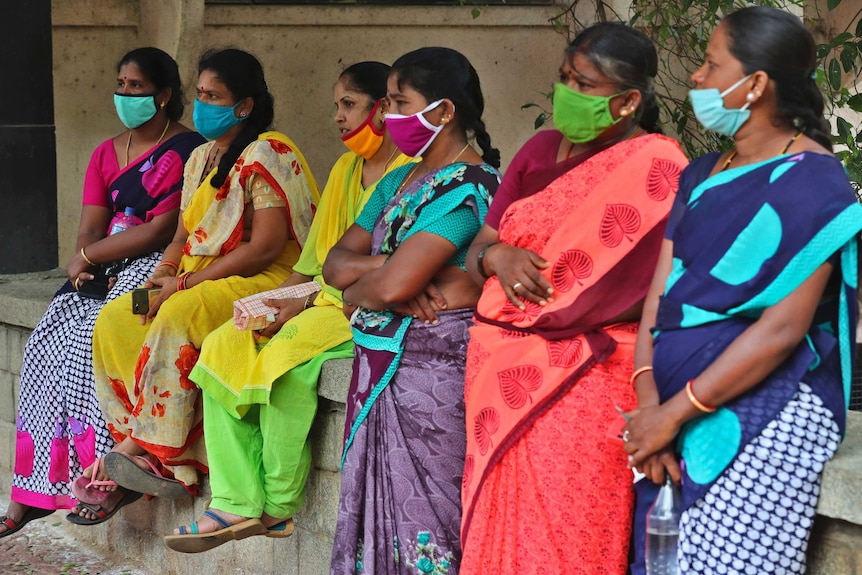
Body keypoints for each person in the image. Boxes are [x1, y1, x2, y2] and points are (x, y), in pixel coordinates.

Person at [622, 7, 862, 575]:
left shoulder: (816, 184)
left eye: (710, 64)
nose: (697, 78)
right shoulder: (701, 174)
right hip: (668, 407)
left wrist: (676, 414)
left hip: (767, 412)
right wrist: (650, 407)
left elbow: (782, 330)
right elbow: (660, 299)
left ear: (755, 85)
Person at [460, 23, 688, 575]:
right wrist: (498, 258)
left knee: (567, 540)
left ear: (628, 100)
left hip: (592, 374)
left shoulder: (658, 165)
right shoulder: (539, 148)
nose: (568, 93)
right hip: (500, 368)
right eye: (565, 78)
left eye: (584, 85)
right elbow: (477, 253)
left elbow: (658, 287)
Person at [162, 61, 412, 553]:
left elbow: (387, 269)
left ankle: (275, 507)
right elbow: (312, 264)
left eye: (349, 105)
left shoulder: (409, 172)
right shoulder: (345, 167)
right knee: (223, 344)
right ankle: (234, 497)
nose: (338, 116)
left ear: (382, 110)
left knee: (282, 362)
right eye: (336, 105)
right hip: (321, 296)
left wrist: (305, 304)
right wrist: (275, 302)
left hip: (359, 308)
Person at [67, 48, 320, 526]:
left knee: (180, 314)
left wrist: (184, 284)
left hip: (262, 278)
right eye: (200, 94)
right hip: (198, 273)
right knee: (117, 318)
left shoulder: (271, 150)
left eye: (214, 96)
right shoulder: (202, 156)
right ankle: (144, 453)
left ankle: (141, 450)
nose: (202, 103)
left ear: (243, 105)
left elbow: (266, 248)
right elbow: (184, 235)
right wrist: (163, 275)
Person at [0, 48, 204, 538]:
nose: (125, 94)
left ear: (164, 94)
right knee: (45, 345)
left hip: (155, 263)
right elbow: (89, 228)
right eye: (121, 83)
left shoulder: (189, 149)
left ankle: (106, 479)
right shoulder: (105, 153)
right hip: (101, 265)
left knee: (89, 340)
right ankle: (32, 489)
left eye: (136, 86)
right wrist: (88, 265)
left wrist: (94, 258)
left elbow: (163, 229)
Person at [325, 47, 501, 575]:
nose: (389, 117)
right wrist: (381, 272)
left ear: (444, 112)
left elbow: (396, 283)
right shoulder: (396, 180)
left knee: (433, 526)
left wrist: (379, 282)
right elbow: (335, 265)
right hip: (378, 363)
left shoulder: (470, 186)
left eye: (401, 103)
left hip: (432, 377)